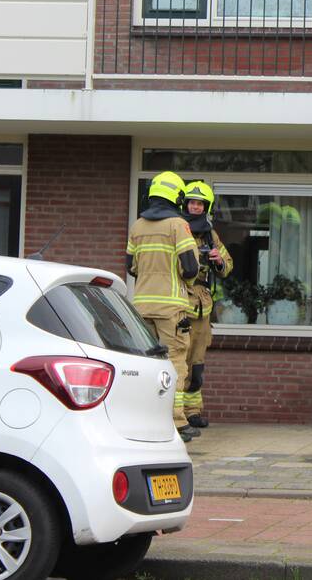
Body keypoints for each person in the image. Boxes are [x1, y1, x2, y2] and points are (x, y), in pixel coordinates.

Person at [127, 171, 201, 441]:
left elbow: (131, 266)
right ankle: (177, 422)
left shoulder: (137, 226)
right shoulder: (177, 225)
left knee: (146, 364)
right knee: (176, 362)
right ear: (177, 196)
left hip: (141, 307)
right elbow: (191, 267)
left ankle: (146, 417)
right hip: (171, 309)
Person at [181, 181, 233, 429]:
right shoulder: (177, 228)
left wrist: (219, 260)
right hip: (179, 300)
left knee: (197, 361)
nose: (195, 206)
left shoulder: (211, 235)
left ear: (206, 206)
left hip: (201, 306)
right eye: (191, 202)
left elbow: (227, 266)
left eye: (199, 203)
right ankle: (175, 414)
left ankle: (192, 411)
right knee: (177, 359)